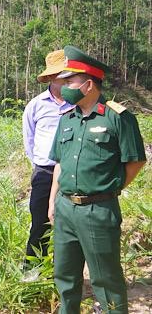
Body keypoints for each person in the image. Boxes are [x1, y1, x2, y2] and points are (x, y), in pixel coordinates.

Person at [48, 45, 146, 313]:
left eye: (69, 81)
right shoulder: (67, 119)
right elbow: (59, 162)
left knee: (106, 279)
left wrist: (108, 188)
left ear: (88, 84)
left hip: (98, 210)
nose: (63, 86)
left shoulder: (118, 118)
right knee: (65, 276)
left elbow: (135, 161)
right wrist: (52, 201)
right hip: (66, 208)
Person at [21, 49, 73, 280]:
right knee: (40, 223)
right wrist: (40, 165)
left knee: (71, 225)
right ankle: (32, 272)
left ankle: (66, 274)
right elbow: (28, 139)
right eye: (61, 75)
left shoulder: (80, 103)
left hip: (74, 172)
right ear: (51, 78)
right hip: (44, 172)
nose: (66, 79)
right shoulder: (36, 105)